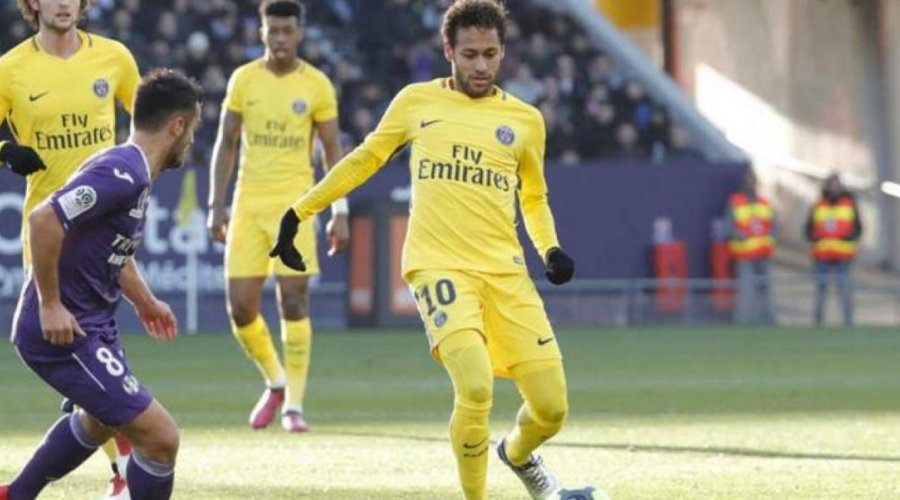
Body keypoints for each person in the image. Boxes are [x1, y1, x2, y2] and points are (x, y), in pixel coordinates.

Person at [269, 1, 584, 498]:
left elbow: (534, 198)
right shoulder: (417, 102)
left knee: (552, 408)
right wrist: (300, 212)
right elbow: (364, 158)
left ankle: (518, 453)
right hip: (437, 266)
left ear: (503, 53)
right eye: (470, 54)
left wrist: (550, 248)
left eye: (490, 54)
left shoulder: (525, 120)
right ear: (448, 51)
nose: (480, 65)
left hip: (505, 273)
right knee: (475, 385)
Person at [0, 68, 203, 500]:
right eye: (192, 129)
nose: (191, 141)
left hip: (91, 324)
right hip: (65, 330)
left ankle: (16, 494)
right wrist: (50, 304)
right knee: (162, 439)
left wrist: (145, 301)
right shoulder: (121, 172)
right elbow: (44, 219)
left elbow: (111, 249)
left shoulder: (131, 171)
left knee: (100, 421)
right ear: (177, 125)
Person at [0, 1, 142, 496]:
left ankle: (114, 471)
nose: (63, 3)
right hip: (49, 237)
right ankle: (124, 474)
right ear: (33, 4)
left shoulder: (115, 58)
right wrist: (4, 151)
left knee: (95, 360)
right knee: (88, 360)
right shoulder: (10, 69)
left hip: (105, 233)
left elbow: (147, 124)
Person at [206, 0, 349, 433]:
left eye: (288, 30)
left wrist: (339, 209)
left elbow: (332, 151)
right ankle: (276, 381)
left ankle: (295, 406)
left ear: (300, 33)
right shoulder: (243, 79)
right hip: (248, 204)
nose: (281, 38)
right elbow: (226, 142)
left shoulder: (317, 84)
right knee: (241, 310)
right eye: (274, 31)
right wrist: (216, 204)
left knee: (293, 301)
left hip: (295, 207)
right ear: (262, 33)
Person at [805, 173, 861, 327]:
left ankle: (848, 322)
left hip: (843, 253)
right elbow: (808, 230)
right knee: (821, 289)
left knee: (843, 288)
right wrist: (815, 237)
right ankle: (818, 322)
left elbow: (858, 228)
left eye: (837, 185)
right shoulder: (818, 205)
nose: (834, 188)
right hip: (822, 254)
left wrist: (850, 236)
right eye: (832, 185)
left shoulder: (849, 204)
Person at [726, 170, 777, 325]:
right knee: (746, 289)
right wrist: (739, 235)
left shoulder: (764, 203)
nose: (750, 184)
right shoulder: (735, 202)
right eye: (747, 180)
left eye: (752, 180)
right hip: (744, 253)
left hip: (763, 252)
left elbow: (772, 226)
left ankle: (766, 320)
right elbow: (729, 227)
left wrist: (770, 240)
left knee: (766, 288)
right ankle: (744, 320)